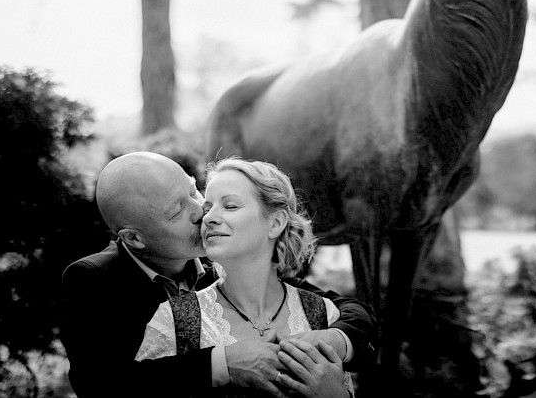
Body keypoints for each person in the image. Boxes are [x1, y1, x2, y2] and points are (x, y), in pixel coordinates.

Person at [60, 151, 376, 398]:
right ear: (134, 239)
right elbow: (103, 388)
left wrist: (335, 339)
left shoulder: (224, 258)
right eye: (177, 211)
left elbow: (345, 311)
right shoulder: (94, 279)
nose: (202, 212)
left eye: (194, 191)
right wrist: (223, 363)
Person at [136, 156, 357, 397]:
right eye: (207, 209)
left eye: (230, 206)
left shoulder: (323, 314)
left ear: (276, 223)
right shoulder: (171, 321)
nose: (208, 218)